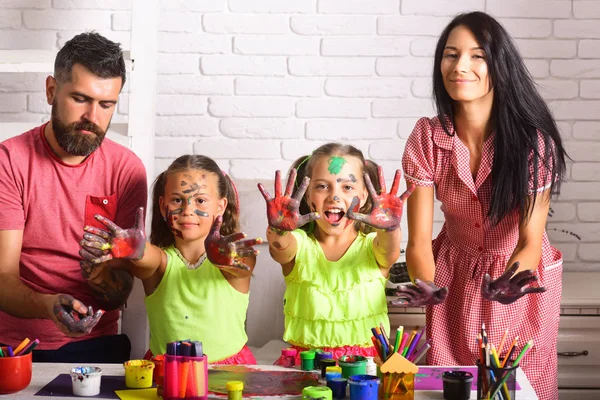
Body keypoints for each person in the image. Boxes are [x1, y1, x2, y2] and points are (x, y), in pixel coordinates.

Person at [395, 11, 566, 399]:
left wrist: (507, 286)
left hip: (517, 278)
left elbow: (529, 243)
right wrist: (429, 285)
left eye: (477, 56)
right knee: (450, 386)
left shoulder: (532, 143)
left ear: (499, 66)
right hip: (452, 271)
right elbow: (419, 241)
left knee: (515, 387)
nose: (460, 67)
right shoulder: (427, 137)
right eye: (451, 55)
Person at [0, 32, 147, 362]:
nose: (93, 117)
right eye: (80, 99)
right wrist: (47, 305)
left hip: (97, 344)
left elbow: (120, 291)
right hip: (17, 347)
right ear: (52, 90)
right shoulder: (9, 161)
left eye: (106, 104)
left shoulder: (127, 170)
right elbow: (2, 278)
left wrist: (98, 277)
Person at [80, 155, 262, 364]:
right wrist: (135, 250)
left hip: (230, 373)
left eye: (200, 200)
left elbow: (241, 266)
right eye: (177, 200)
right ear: (162, 204)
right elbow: (149, 258)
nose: (187, 211)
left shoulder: (236, 257)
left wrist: (222, 259)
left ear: (220, 206)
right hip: (168, 373)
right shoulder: (161, 262)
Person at [258, 143, 414, 361]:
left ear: (365, 196)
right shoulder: (300, 244)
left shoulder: (372, 246)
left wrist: (390, 228)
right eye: (322, 186)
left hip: (366, 366)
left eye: (347, 187)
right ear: (308, 196)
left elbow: (389, 248)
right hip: (307, 364)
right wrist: (277, 229)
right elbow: (281, 249)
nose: (334, 196)